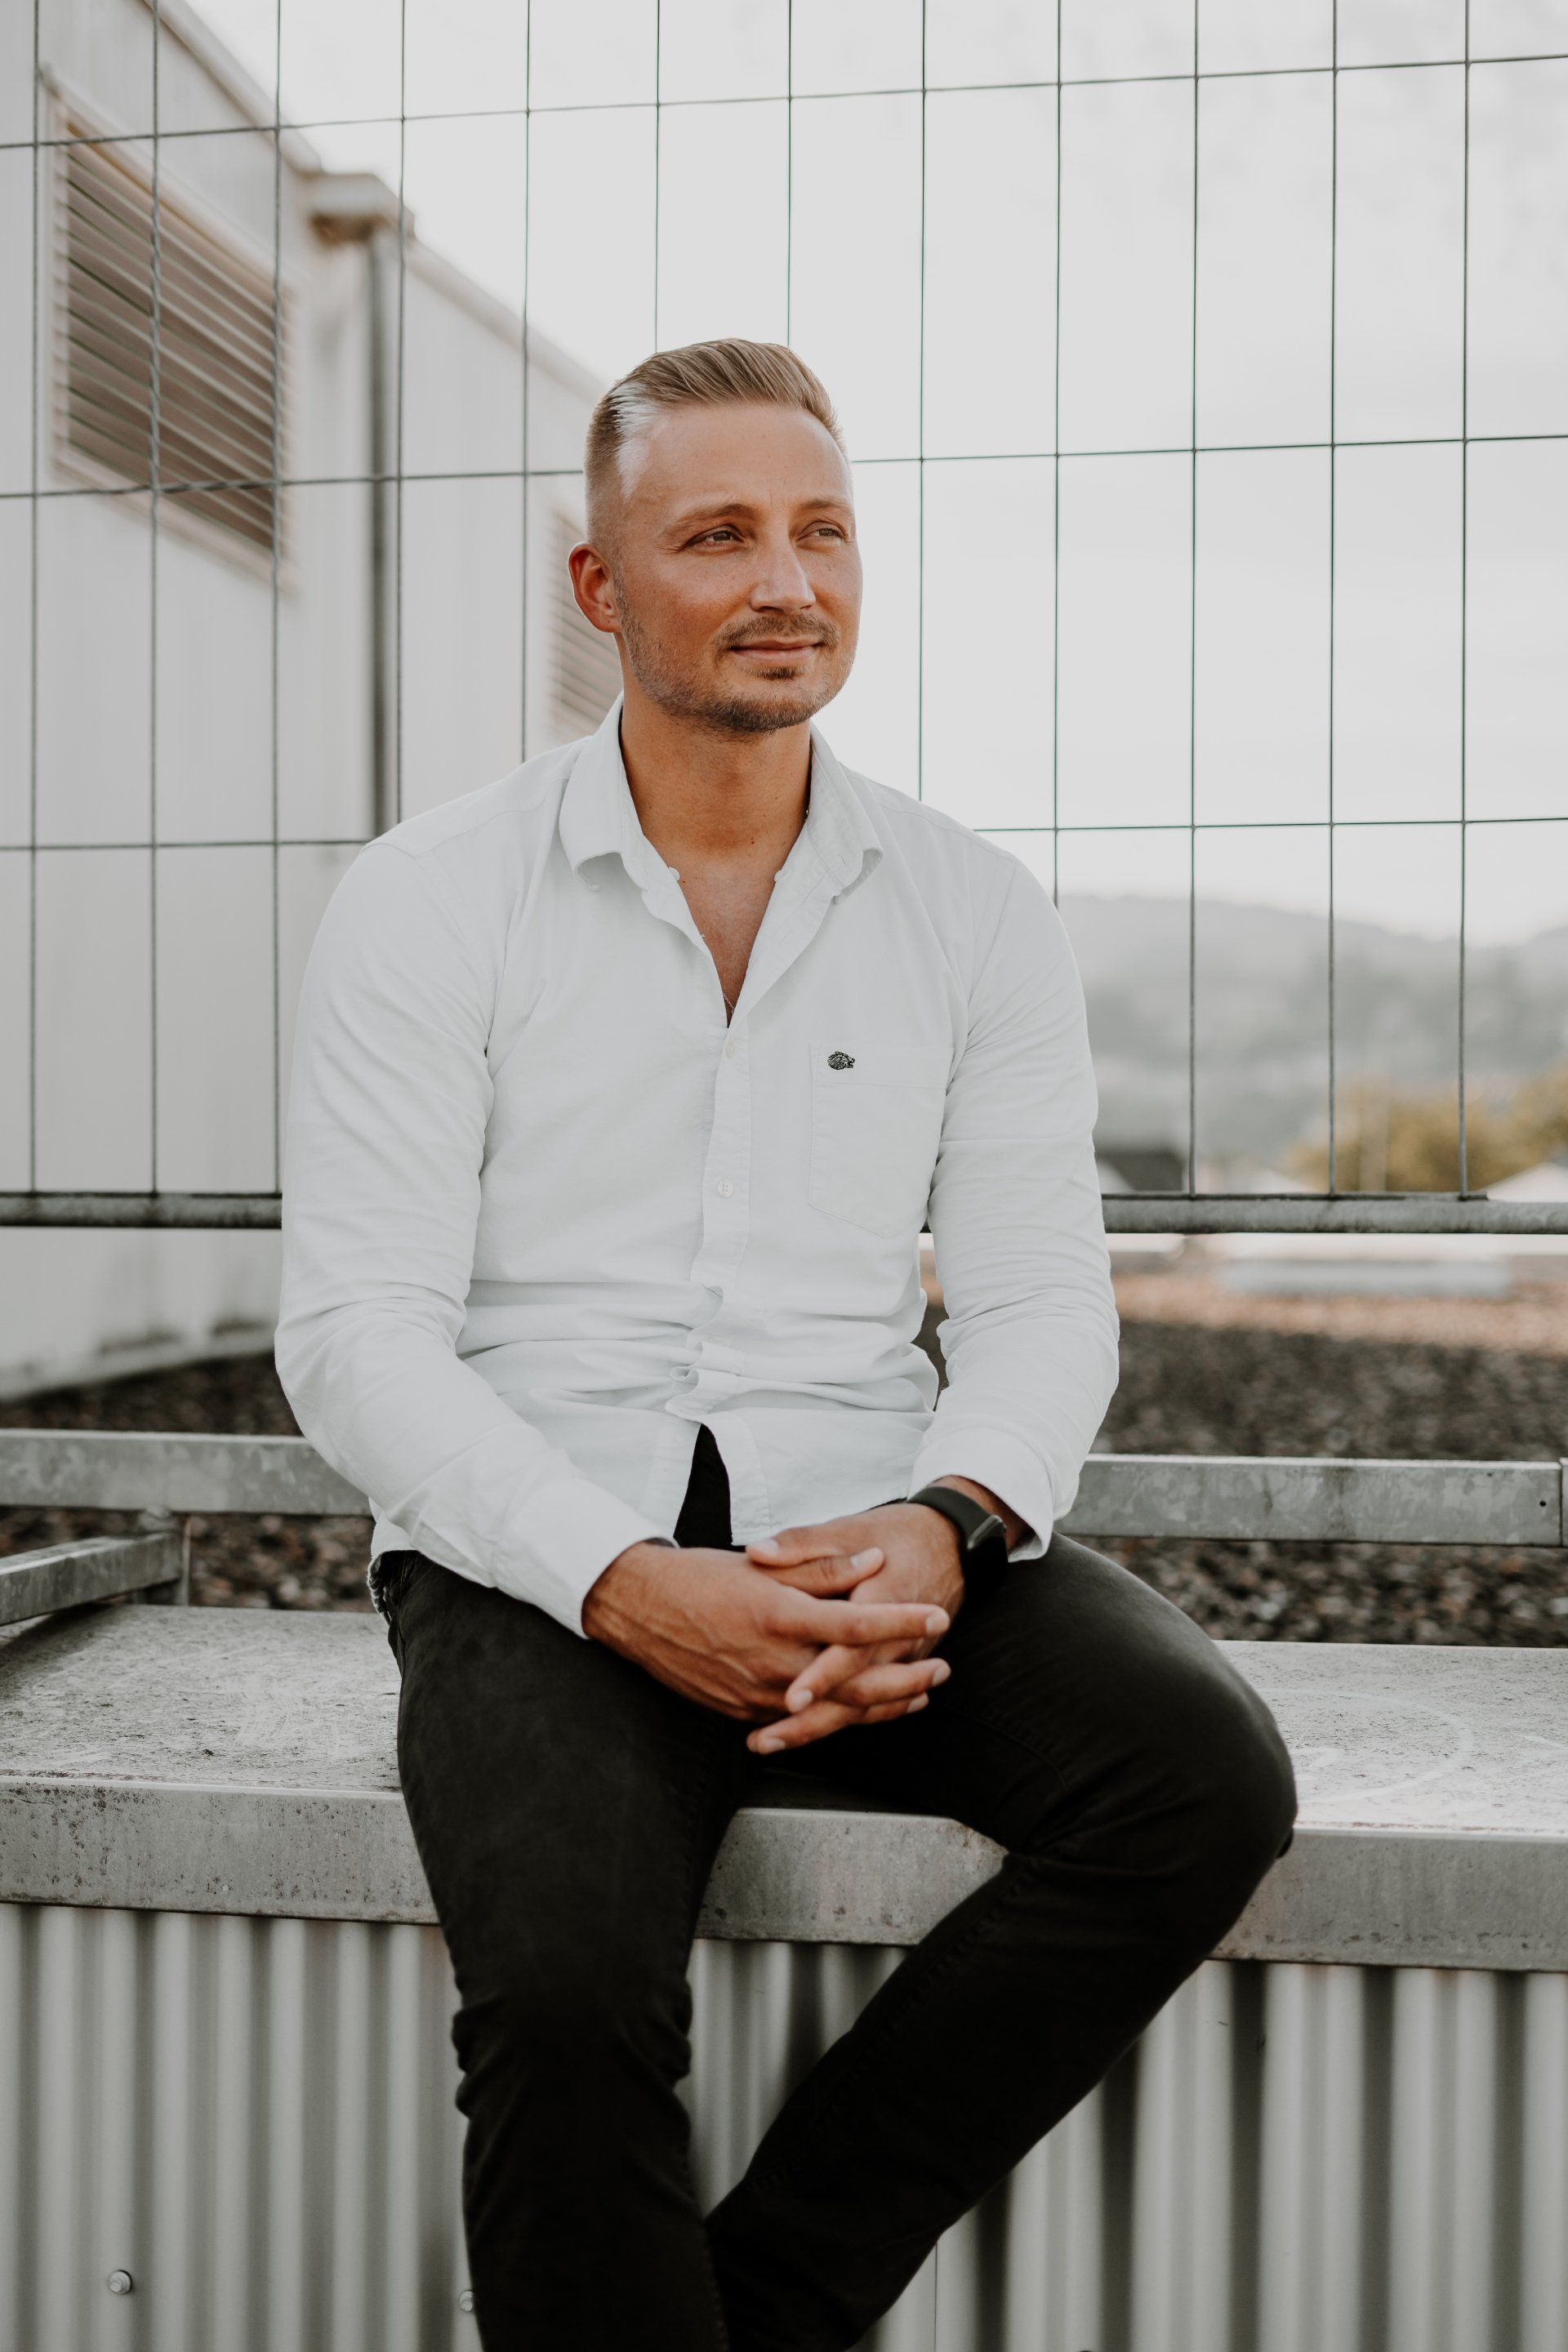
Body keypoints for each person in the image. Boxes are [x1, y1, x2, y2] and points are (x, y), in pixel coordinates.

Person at [275, 337, 1296, 2352]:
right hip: (540, 1546)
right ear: (600, 585)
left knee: (1199, 1783)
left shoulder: (971, 909)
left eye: (823, 532)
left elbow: (1036, 1298)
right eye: (720, 535)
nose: (786, 583)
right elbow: (354, 1332)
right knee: (566, 1997)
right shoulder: (430, 899)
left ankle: (761, 2309)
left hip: (865, 1522)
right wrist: (621, 1582)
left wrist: (952, 1520)